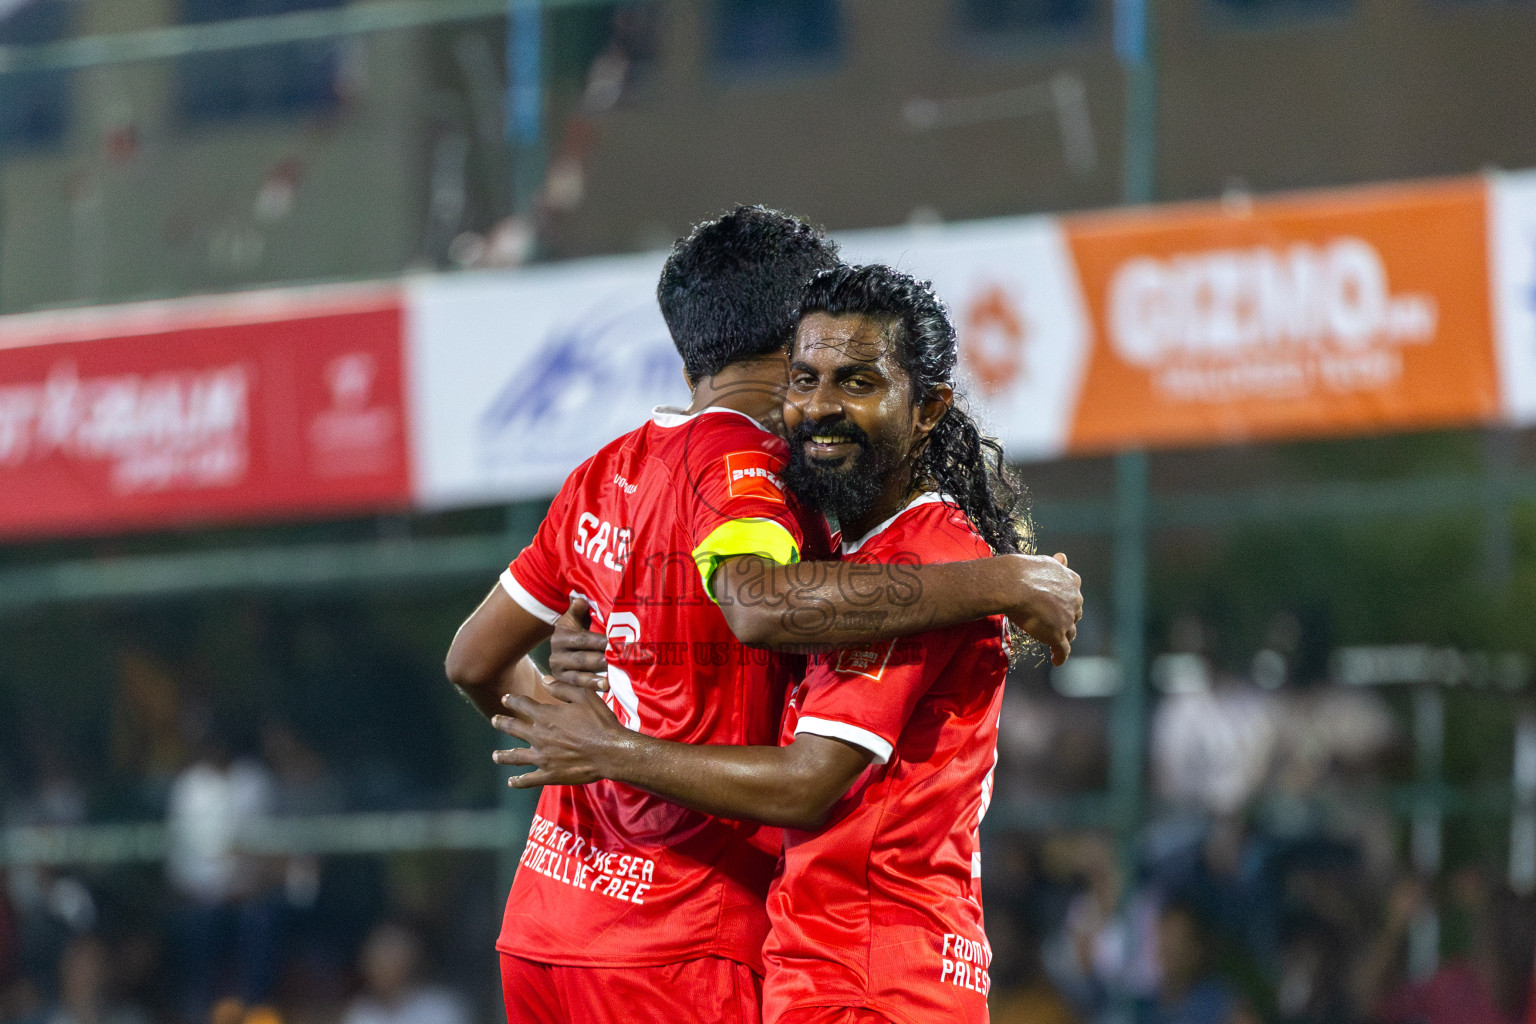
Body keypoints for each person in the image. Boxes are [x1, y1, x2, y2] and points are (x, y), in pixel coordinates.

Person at [445, 211, 1082, 1024]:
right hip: (694, 935)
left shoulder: (605, 471)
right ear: (793, 345)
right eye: (814, 375)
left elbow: (473, 659)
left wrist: (585, 736)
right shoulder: (752, 468)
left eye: (854, 380)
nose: (819, 406)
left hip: (551, 923)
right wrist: (1000, 578)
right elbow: (758, 607)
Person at [338, 923, 470, 1024]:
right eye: (377, 961)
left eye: (390, 958)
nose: (382, 969)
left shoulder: (442, 1008)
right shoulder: (360, 1013)